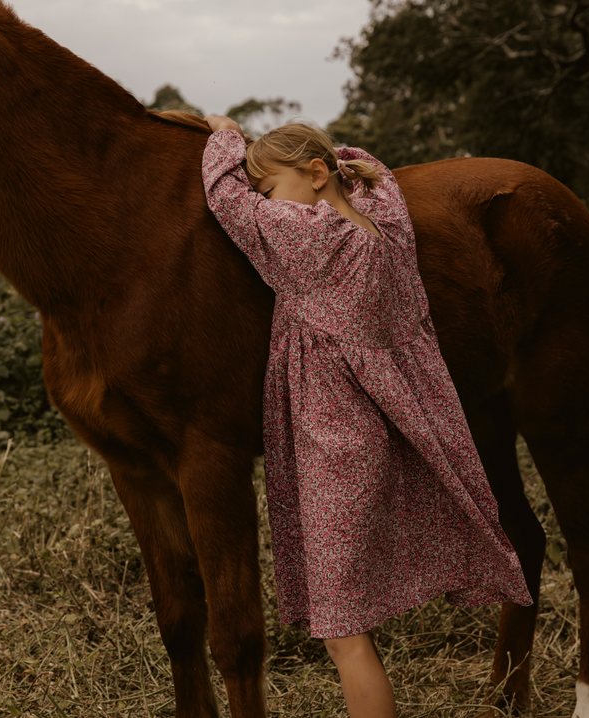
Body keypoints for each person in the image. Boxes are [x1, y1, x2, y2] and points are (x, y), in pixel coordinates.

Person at [201, 116, 532, 718]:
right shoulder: (390, 231)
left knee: (345, 636)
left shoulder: (303, 238)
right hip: (392, 425)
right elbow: (375, 173)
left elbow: (225, 198)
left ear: (316, 174)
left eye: (270, 188)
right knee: (348, 626)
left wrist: (226, 134)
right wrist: (332, 161)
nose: (264, 200)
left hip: (336, 444)